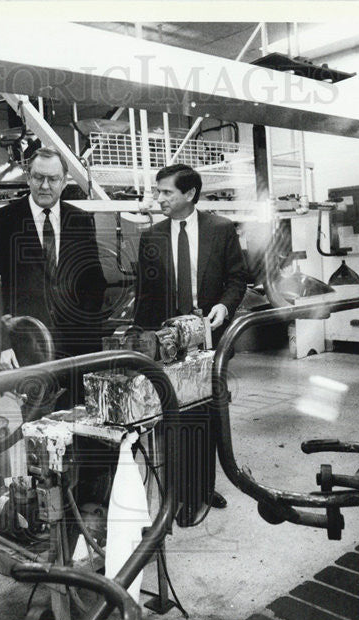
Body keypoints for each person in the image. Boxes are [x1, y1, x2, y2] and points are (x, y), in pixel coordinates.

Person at [133, 164, 248, 520]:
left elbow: (237, 278)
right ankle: (178, 494)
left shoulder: (221, 229)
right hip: (167, 343)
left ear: (190, 194)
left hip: (208, 339)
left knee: (206, 413)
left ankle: (203, 488)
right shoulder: (151, 237)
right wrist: (143, 343)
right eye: (158, 191)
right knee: (173, 417)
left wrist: (223, 307)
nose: (159, 198)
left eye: (166, 192)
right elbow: (145, 295)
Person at [0, 147, 107, 406]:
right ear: (28, 177)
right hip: (24, 352)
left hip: (75, 354)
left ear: (64, 181)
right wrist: (1, 345)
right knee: (32, 429)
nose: (45, 186)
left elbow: (93, 283)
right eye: (38, 178)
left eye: (53, 179)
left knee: (76, 426)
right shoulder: (2, 221)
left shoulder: (81, 220)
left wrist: (88, 338)